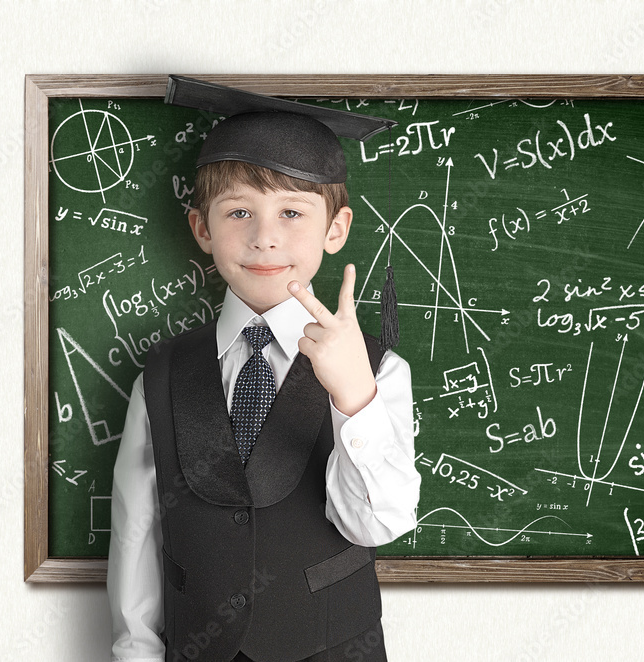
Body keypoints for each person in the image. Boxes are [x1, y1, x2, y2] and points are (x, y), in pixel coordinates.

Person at [107, 77, 420, 662]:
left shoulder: (380, 371)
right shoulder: (162, 374)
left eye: (292, 212)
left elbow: (379, 524)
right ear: (202, 228)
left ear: (336, 230)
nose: (265, 238)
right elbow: (136, 534)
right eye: (239, 212)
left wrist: (354, 396)